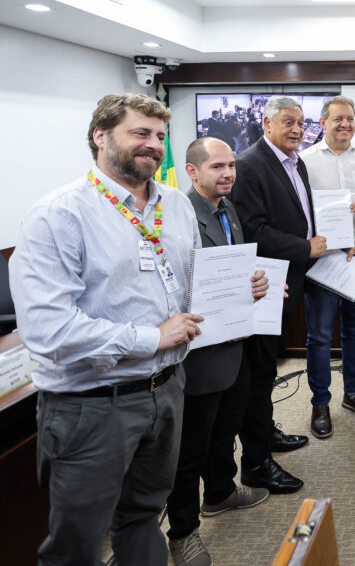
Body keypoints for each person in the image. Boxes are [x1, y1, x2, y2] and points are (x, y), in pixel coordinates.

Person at [10, 93, 266, 565]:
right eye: (140, 133)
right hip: (92, 404)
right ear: (100, 136)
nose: (153, 144)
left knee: (142, 517)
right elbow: (48, 331)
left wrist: (239, 289)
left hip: (167, 390)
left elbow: (193, 286)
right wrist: (153, 338)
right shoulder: (59, 214)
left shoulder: (175, 204)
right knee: (78, 543)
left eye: (160, 136)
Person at [165, 137, 270, 566]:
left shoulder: (228, 208)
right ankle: (183, 531)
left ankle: (221, 492)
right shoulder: (178, 215)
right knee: (191, 446)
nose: (228, 174)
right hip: (202, 349)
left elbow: (233, 268)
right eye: (217, 167)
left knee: (227, 425)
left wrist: (256, 282)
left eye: (231, 166)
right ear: (192, 172)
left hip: (236, 341)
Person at [231, 95, 321, 493]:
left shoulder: (295, 161)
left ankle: (265, 434)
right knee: (259, 372)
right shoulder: (250, 164)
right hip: (265, 285)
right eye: (288, 122)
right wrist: (305, 248)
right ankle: (255, 462)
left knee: (269, 367)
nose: (297, 129)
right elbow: (253, 231)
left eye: (300, 122)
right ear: (267, 124)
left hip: (288, 281)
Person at [300, 95, 355, 433]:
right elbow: (302, 210)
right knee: (320, 335)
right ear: (323, 123)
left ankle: (353, 392)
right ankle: (320, 401)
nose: (345, 124)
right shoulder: (304, 160)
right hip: (324, 257)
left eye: (350, 119)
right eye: (338, 119)